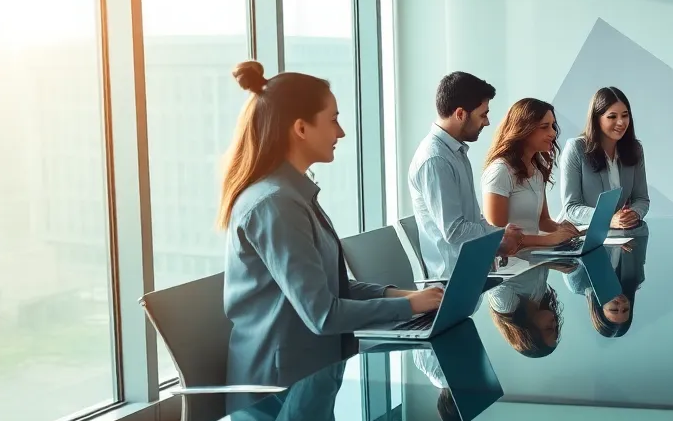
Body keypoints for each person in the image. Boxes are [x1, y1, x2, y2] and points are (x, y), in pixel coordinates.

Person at [219, 61, 441, 392]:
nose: (341, 133)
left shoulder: (292, 194)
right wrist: (409, 306)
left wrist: (408, 296)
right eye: (333, 120)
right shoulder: (277, 205)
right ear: (301, 128)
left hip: (311, 373)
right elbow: (323, 314)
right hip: (279, 393)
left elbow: (331, 287)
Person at [407, 71, 522, 280]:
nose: (487, 122)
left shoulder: (455, 151)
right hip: (453, 281)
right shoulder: (436, 159)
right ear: (460, 114)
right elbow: (455, 231)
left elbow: (471, 218)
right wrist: (499, 237)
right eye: (483, 115)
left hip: (472, 271)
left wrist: (499, 234)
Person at [481, 98, 579, 248]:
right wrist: (548, 240)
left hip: (534, 257)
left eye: (552, 126)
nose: (553, 133)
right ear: (523, 129)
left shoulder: (537, 169)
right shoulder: (500, 171)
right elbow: (497, 237)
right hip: (512, 261)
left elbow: (543, 221)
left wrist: (562, 229)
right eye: (544, 127)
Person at [559, 86, 650, 229]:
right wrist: (607, 218)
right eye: (612, 117)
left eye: (625, 115)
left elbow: (641, 198)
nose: (621, 122)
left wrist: (633, 213)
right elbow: (571, 207)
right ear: (596, 119)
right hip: (578, 233)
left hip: (616, 234)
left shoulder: (635, 149)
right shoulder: (576, 148)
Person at [488, 269, 563, 357]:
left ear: (530, 333)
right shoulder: (539, 297)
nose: (554, 323)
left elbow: (491, 270)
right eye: (556, 328)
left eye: (549, 328)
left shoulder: (504, 304)